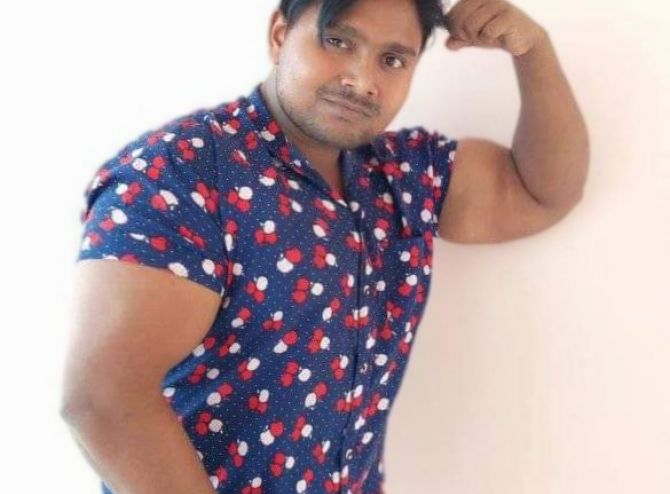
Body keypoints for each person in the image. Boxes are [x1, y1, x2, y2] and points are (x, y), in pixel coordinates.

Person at [59, 0, 589, 493]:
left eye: (392, 60)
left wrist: (533, 51)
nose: (362, 80)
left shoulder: (400, 177)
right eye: (338, 41)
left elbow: (538, 192)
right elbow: (103, 399)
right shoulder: (182, 172)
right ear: (280, 34)